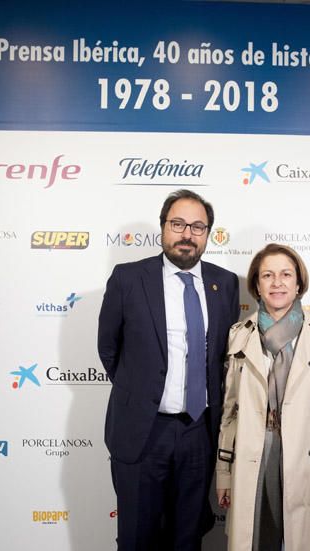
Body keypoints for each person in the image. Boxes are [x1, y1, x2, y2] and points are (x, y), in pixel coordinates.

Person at [98, 189, 240, 550]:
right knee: (136, 537)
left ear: (208, 234)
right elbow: (109, 348)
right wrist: (141, 392)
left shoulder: (224, 284)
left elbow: (224, 357)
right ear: (163, 228)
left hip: (198, 433)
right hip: (144, 431)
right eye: (178, 224)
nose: (187, 234)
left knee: (187, 537)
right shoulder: (128, 279)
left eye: (197, 226)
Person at [215, 243, 310, 551]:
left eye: (285, 274)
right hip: (256, 453)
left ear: (298, 283)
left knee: (303, 541)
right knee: (257, 540)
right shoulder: (239, 334)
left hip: (307, 457)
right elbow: (231, 411)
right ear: (256, 285)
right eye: (267, 275)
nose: (277, 282)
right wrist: (224, 473)